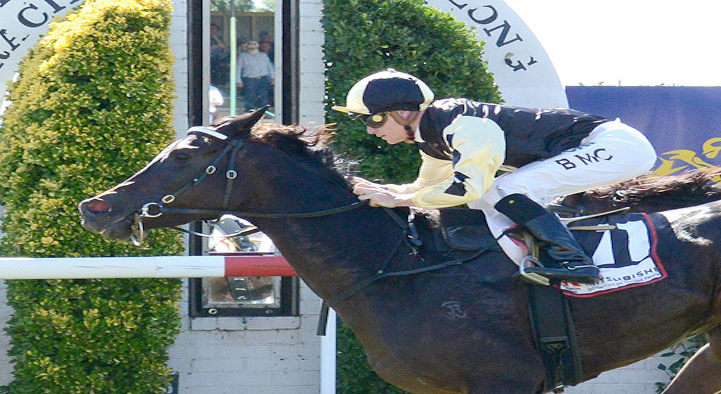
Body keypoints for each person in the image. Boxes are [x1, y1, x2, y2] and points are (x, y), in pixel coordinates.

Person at [334, 69, 657, 283]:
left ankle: (573, 260)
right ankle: (541, 256)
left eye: (373, 120)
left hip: (615, 145)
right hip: (597, 145)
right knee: (497, 194)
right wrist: (387, 190)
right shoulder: (432, 139)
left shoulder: (461, 123)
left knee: (506, 188)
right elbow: (427, 187)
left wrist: (402, 198)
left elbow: (467, 189)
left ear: (403, 113)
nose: (370, 130)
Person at [236, 40, 273, 112]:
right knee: (249, 97)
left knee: (263, 97)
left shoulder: (263, 55)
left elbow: (269, 66)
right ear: (247, 46)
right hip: (249, 80)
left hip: (263, 79)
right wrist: (238, 81)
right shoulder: (243, 56)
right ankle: (249, 114)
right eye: (250, 45)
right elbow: (238, 68)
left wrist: (273, 77)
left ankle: (262, 113)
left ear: (257, 46)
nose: (252, 46)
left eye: (254, 44)